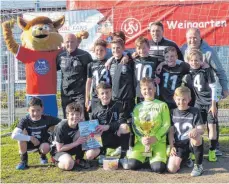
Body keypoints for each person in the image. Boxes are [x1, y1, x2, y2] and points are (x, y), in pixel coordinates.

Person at [127, 77, 170, 173]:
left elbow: (166, 125)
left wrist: (156, 137)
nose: (148, 91)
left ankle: (161, 155)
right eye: (145, 89)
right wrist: (142, 138)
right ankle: (147, 157)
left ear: (154, 89)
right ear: (141, 91)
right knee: (131, 165)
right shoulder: (137, 107)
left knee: (158, 168)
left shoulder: (162, 105)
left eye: (150, 88)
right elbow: (135, 125)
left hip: (158, 142)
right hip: (143, 142)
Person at [182, 49, 218, 162]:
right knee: (197, 129)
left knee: (212, 128)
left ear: (201, 60)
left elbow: (214, 88)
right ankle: (194, 151)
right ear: (189, 61)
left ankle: (212, 150)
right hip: (198, 104)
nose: (194, 62)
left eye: (196, 60)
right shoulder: (188, 73)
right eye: (192, 60)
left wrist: (213, 105)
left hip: (209, 104)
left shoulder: (207, 71)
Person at [85, 82, 130, 163]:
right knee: (89, 156)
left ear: (111, 92)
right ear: (98, 95)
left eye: (107, 92)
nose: (105, 95)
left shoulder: (119, 105)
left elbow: (122, 120)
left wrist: (108, 127)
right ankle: (102, 152)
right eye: (102, 93)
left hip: (116, 136)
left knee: (125, 127)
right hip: (102, 139)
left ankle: (123, 155)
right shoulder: (95, 109)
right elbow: (91, 129)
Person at [11, 97, 61, 170]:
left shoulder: (47, 118)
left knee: (46, 147)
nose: (36, 113)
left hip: (42, 143)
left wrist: (55, 128)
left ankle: (43, 156)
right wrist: (30, 138)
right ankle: (24, 161)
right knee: (21, 138)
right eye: (32, 110)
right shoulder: (24, 120)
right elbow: (13, 135)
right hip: (29, 143)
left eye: (38, 110)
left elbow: (63, 122)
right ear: (28, 110)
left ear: (42, 109)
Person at [167, 86, 205, 177]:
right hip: (179, 144)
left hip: (190, 142)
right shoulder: (172, 112)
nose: (181, 102)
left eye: (184, 99)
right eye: (178, 99)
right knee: (171, 169)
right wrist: (171, 146)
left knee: (197, 136)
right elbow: (171, 131)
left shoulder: (195, 111)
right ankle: (186, 158)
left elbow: (202, 129)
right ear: (174, 99)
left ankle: (198, 166)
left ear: (189, 99)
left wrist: (196, 130)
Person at [181, 27, 229, 99]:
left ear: (200, 37)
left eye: (195, 37)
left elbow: (220, 71)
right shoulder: (183, 49)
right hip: (190, 92)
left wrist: (225, 88)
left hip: (205, 93)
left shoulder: (209, 52)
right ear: (186, 38)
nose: (192, 40)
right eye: (190, 38)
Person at [56, 33, 93, 119]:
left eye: (72, 42)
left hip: (80, 94)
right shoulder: (60, 56)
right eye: (67, 42)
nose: (70, 44)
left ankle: (84, 133)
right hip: (66, 93)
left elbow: (91, 75)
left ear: (77, 43)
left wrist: (89, 95)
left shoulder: (85, 55)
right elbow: (51, 69)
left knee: (81, 117)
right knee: (68, 118)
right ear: (64, 43)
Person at [52, 102, 90, 171]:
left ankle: (79, 159)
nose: (75, 116)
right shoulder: (61, 127)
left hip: (71, 147)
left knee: (84, 132)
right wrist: (77, 143)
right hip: (59, 150)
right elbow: (59, 148)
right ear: (67, 116)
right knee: (69, 165)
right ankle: (56, 161)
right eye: (72, 114)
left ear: (80, 115)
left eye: (77, 114)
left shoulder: (81, 124)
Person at [109, 38, 136, 120]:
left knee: (129, 124)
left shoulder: (129, 60)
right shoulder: (110, 62)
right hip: (115, 100)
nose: (116, 50)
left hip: (128, 99)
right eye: (113, 48)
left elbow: (137, 52)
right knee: (117, 124)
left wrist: (127, 55)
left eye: (118, 48)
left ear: (123, 48)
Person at [85, 39, 111, 112]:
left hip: (107, 95)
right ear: (94, 51)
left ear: (105, 51)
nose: (99, 52)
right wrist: (87, 98)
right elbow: (89, 82)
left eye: (101, 50)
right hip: (95, 96)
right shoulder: (91, 64)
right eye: (97, 50)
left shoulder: (110, 62)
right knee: (95, 119)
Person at [134, 36, 159, 103]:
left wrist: (159, 78)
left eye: (144, 48)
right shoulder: (134, 60)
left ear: (148, 47)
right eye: (139, 48)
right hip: (139, 91)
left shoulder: (155, 60)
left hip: (151, 91)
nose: (142, 50)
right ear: (136, 49)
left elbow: (160, 71)